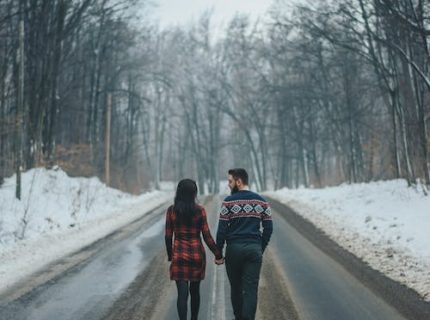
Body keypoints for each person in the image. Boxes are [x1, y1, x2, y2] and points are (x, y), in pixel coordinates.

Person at [216, 168, 273, 320]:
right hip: (253, 249)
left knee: (236, 288)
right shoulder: (261, 201)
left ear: (239, 181)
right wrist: (260, 247)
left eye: (230, 181)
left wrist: (218, 253)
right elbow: (269, 228)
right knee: (251, 290)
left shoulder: (228, 202)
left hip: (234, 250)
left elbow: (221, 230)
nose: (228, 185)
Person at [165, 179, 223, 320]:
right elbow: (207, 236)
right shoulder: (200, 211)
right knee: (195, 292)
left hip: (179, 255)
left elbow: (168, 236)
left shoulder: (172, 211)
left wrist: (170, 256)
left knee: (182, 295)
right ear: (194, 193)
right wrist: (218, 254)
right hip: (196, 256)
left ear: (178, 192)